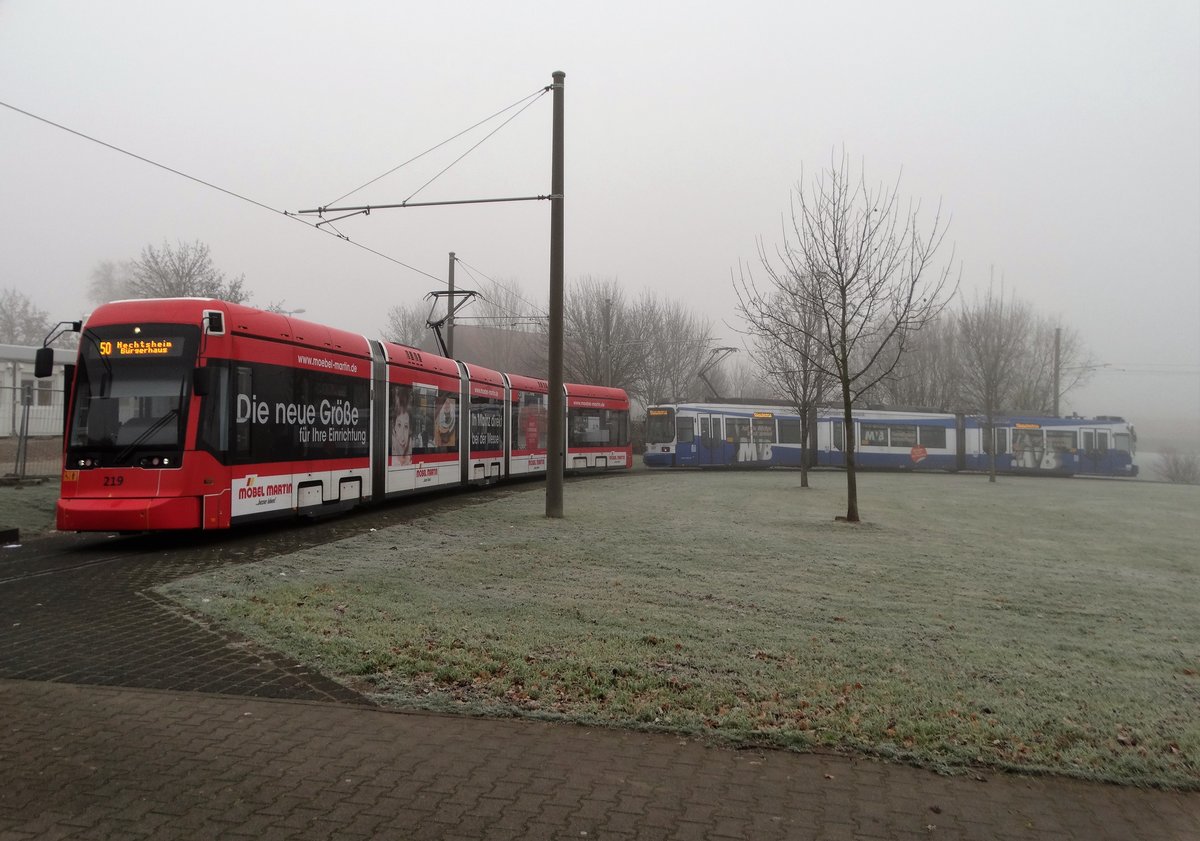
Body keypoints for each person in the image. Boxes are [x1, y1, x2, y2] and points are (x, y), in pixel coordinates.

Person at [390, 385, 412, 465]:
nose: (402, 437)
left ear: (410, 430)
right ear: (394, 428)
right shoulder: (392, 461)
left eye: (406, 426)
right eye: (399, 425)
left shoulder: (410, 460)